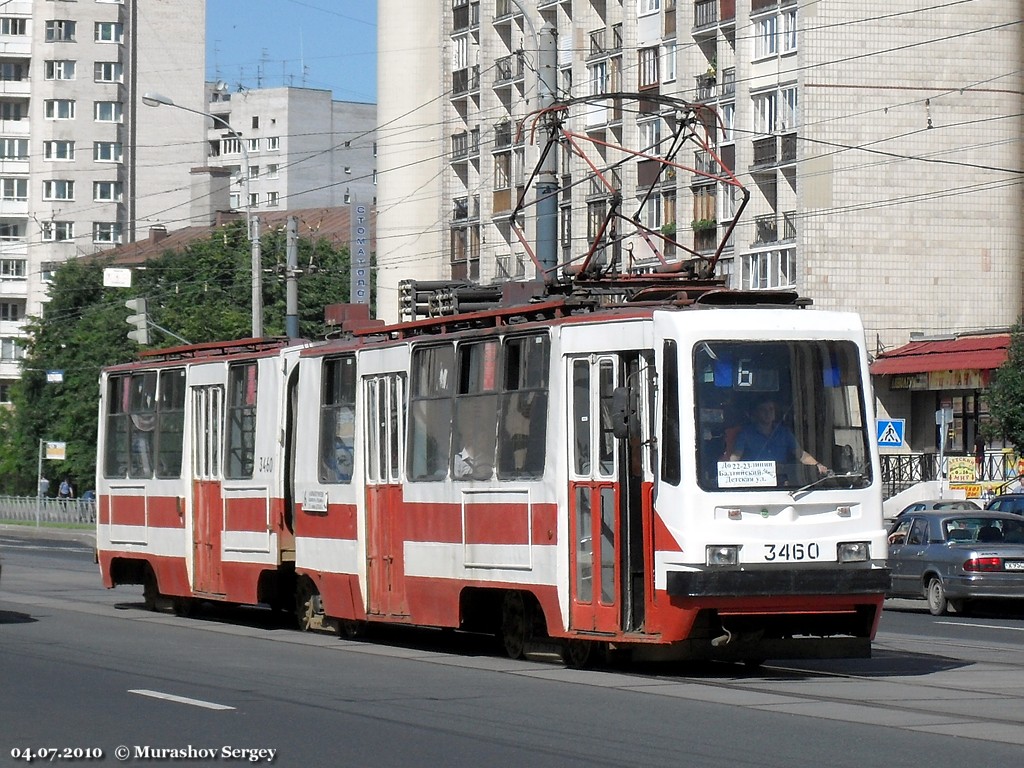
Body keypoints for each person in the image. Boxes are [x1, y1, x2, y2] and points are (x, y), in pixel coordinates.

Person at [729, 398, 828, 475]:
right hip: (756, 480)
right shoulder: (746, 433)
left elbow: (801, 454)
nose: (768, 413)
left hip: (783, 482)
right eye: (763, 410)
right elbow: (736, 456)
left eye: (771, 409)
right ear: (756, 413)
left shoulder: (784, 432)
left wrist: (817, 465)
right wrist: (730, 471)